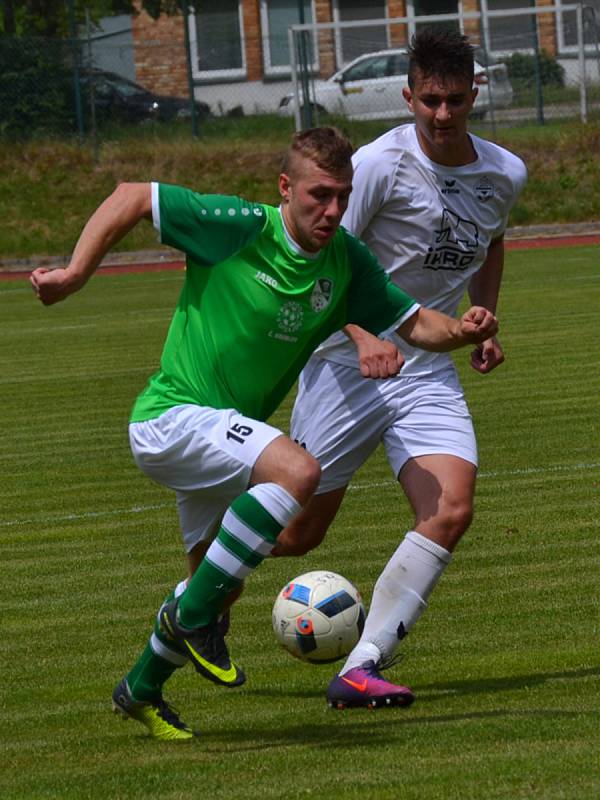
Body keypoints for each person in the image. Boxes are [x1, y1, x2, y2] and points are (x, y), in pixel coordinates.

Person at [31, 126, 498, 741]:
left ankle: (140, 688)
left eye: (341, 197)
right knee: (297, 473)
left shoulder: (347, 261)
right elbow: (132, 195)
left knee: (215, 586)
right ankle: (190, 616)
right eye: (318, 195)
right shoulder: (242, 225)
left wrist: (465, 330)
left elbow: (416, 326)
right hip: (170, 416)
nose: (332, 211)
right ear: (286, 188)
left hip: (219, 435)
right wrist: (73, 275)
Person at [273, 29, 528, 710]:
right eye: (429, 101)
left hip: (426, 366)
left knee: (451, 508)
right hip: (344, 365)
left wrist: (482, 318)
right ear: (409, 95)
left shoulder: (505, 172)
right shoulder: (379, 165)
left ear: (474, 93)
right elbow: (324, 257)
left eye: (454, 100)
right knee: (299, 534)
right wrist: (360, 335)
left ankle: (362, 664)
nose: (441, 115)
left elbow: (493, 239)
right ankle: (200, 583)